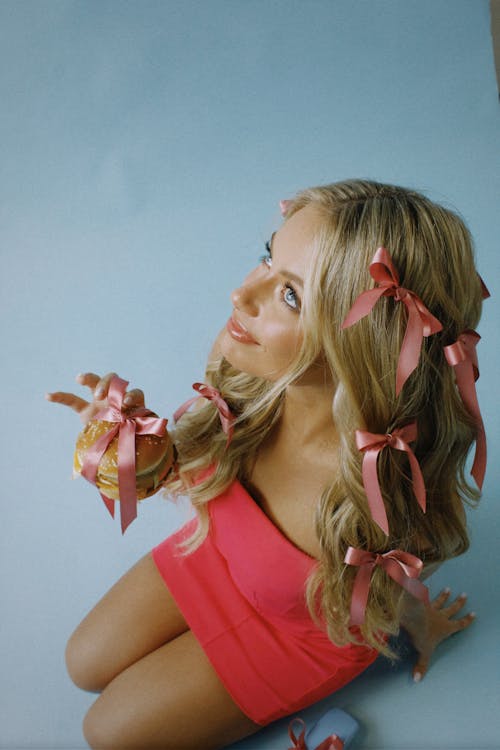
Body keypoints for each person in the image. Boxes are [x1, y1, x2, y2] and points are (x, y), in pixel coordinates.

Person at [47, 179, 485, 750]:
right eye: (266, 259)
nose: (241, 294)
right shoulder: (254, 390)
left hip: (292, 634)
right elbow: (185, 467)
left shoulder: (373, 486)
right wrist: (128, 445)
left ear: (364, 346)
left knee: (106, 734)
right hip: (214, 558)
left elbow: (386, 584)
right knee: (82, 662)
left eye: (291, 296)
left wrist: (419, 623)